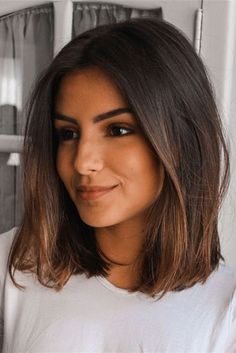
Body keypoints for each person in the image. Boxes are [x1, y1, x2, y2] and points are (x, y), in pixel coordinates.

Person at [0, 17, 235, 353]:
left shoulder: (225, 313)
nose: (82, 162)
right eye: (68, 134)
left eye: (117, 130)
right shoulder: (12, 268)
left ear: (182, 139)